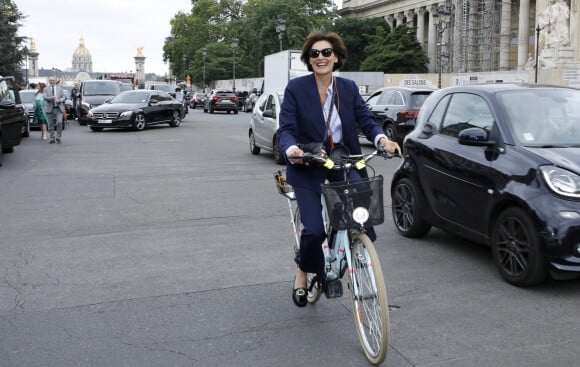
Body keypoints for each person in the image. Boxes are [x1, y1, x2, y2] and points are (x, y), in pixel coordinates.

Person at [276, 31, 401, 308]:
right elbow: (286, 129)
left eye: (326, 52)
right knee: (315, 231)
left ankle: (357, 248)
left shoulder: (348, 89)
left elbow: (366, 120)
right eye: (315, 53)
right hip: (309, 165)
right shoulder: (296, 89)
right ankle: (303, 268)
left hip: (342, 163)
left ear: (337, 57)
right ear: (309, 60)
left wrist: (382, 139)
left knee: (363, 216)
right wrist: (292, 150)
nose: (321, 58)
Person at [44, 76, 66, 144]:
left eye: (53, 80)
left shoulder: (60, 88)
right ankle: (52, 138)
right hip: (49, 108)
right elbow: (45, 97)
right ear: (49, 81)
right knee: (50, 124)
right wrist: (51, 98)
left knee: (59, 122)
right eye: (50, 80)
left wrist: (59, 100)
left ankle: (58, 137)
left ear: (56, 81)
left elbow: (64, 97)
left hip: (58, 108)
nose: (52, 82)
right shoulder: (46, 89)